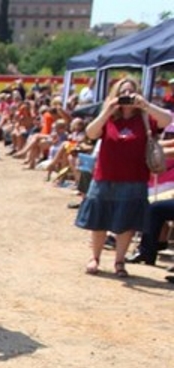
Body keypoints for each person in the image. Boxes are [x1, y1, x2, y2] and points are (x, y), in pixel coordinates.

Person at [75, 76, 172, 276]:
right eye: (122, 92)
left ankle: (120, 261)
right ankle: (95, 257)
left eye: (130, 92)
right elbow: (91, 133)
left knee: (127, 222)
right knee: (99, 219)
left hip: (135, 177)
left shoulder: (145, 117)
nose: (126, 96)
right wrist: (107, 111)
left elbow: (167, 119)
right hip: (105, 175)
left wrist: (146, 105)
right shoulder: (109, 116)